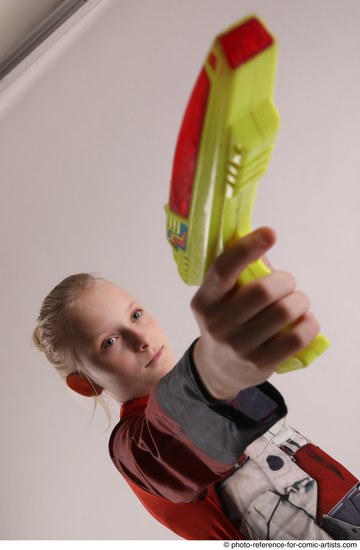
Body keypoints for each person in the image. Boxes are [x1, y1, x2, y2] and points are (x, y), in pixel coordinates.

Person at [33, 227, 359, 540]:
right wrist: (214, 367)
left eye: (135, 314)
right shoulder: (133, 449)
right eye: (109, 342)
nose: (141, 338)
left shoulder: (205, 383)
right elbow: (171, 440)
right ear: (85, 383)